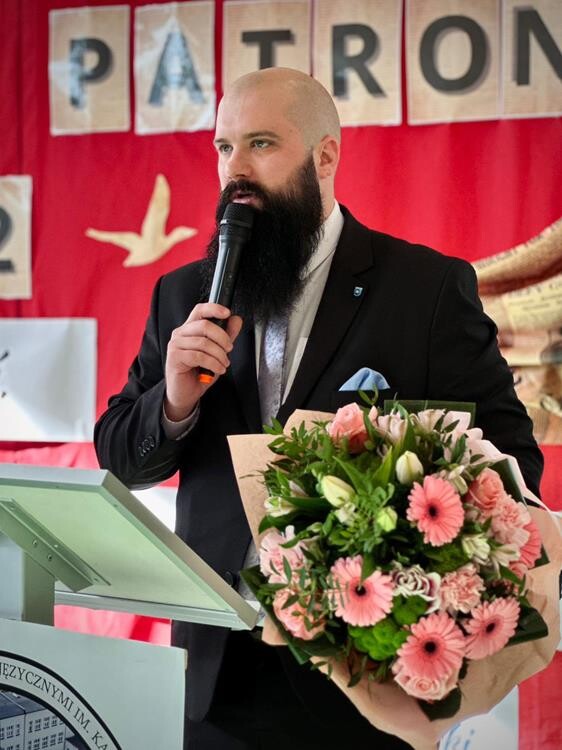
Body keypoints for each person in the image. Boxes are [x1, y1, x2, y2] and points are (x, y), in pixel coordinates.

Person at [94, 68, 543, 749]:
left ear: (324, 156)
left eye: (261, 144)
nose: (235, 170)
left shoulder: (424, 289)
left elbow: (511, 461)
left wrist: (409, 530)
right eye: (224, 148)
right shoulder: (183, 293)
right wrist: (176, 400)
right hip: (219, 673)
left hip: (364, 673)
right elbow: (121, 457)